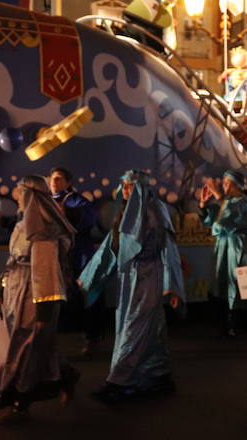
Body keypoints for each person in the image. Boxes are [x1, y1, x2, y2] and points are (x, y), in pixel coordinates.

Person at [79, 170, 185, 404]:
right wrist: (89, 275)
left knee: (134, 327)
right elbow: (111, 245)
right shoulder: (126, 212)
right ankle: (158, 376)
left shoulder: (155, 210)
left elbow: (168, 247)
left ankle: (119, 381)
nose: (124, 190)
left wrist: (172, 285)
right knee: (148, 329)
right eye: (123, 186)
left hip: (150, 275)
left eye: (129, 186)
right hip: (130, 278)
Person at [0, 176, 79, 425]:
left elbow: (45, 272)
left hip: (33, 293)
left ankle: (22, 401)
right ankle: (64, 375)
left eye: (19, 192)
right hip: (17, 288)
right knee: (30, 343)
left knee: (27, 345)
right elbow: (14, 258)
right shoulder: (25, 223)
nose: (15, 196)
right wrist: (2, 288)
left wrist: (44, 308)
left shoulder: (41, 230)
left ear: (29, 196)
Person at [48, 167, 102, 357]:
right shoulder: (44, 201)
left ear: (68, 183)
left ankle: (91, 340)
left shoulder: (74, 200)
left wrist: (68, 213)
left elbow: (91, 215)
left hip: (79, 257)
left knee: (87, 297)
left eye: (60, 179)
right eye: (53, 178)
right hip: (56, 258)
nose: (55, 182)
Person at [199, 171, 247, 336]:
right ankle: (223, 321)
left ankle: (239, 322)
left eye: (227, 182)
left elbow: (231, 215)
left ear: (236, 184)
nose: (224, 185)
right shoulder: (227, 202)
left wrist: (218, 195)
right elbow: (212, 221)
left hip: (237, 246)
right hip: (223, 246)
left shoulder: (245, 202)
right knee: (221, 282)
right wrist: (204, 204)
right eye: (223, 182)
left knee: (237, 283)